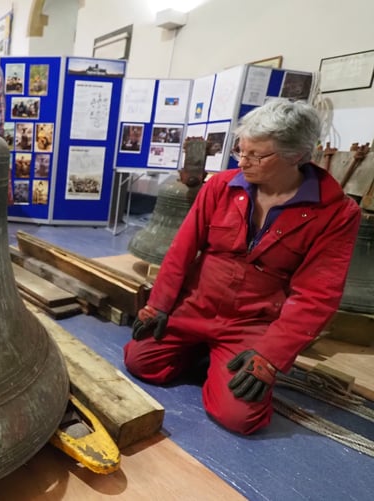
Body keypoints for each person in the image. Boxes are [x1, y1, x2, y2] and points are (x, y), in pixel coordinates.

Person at [123, 98, 361, 435]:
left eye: (256, 155)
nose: (243, 161)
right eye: (240, 151)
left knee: (239, 418)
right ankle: (206, 354)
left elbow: (317, 295)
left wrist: (271, 356)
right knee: (141, 362)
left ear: (297, 155)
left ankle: (220, 358)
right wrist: (158, 305)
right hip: (197, 305)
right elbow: (182, 250)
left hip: (252, 322)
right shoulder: (221, 187)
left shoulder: (335, 214)